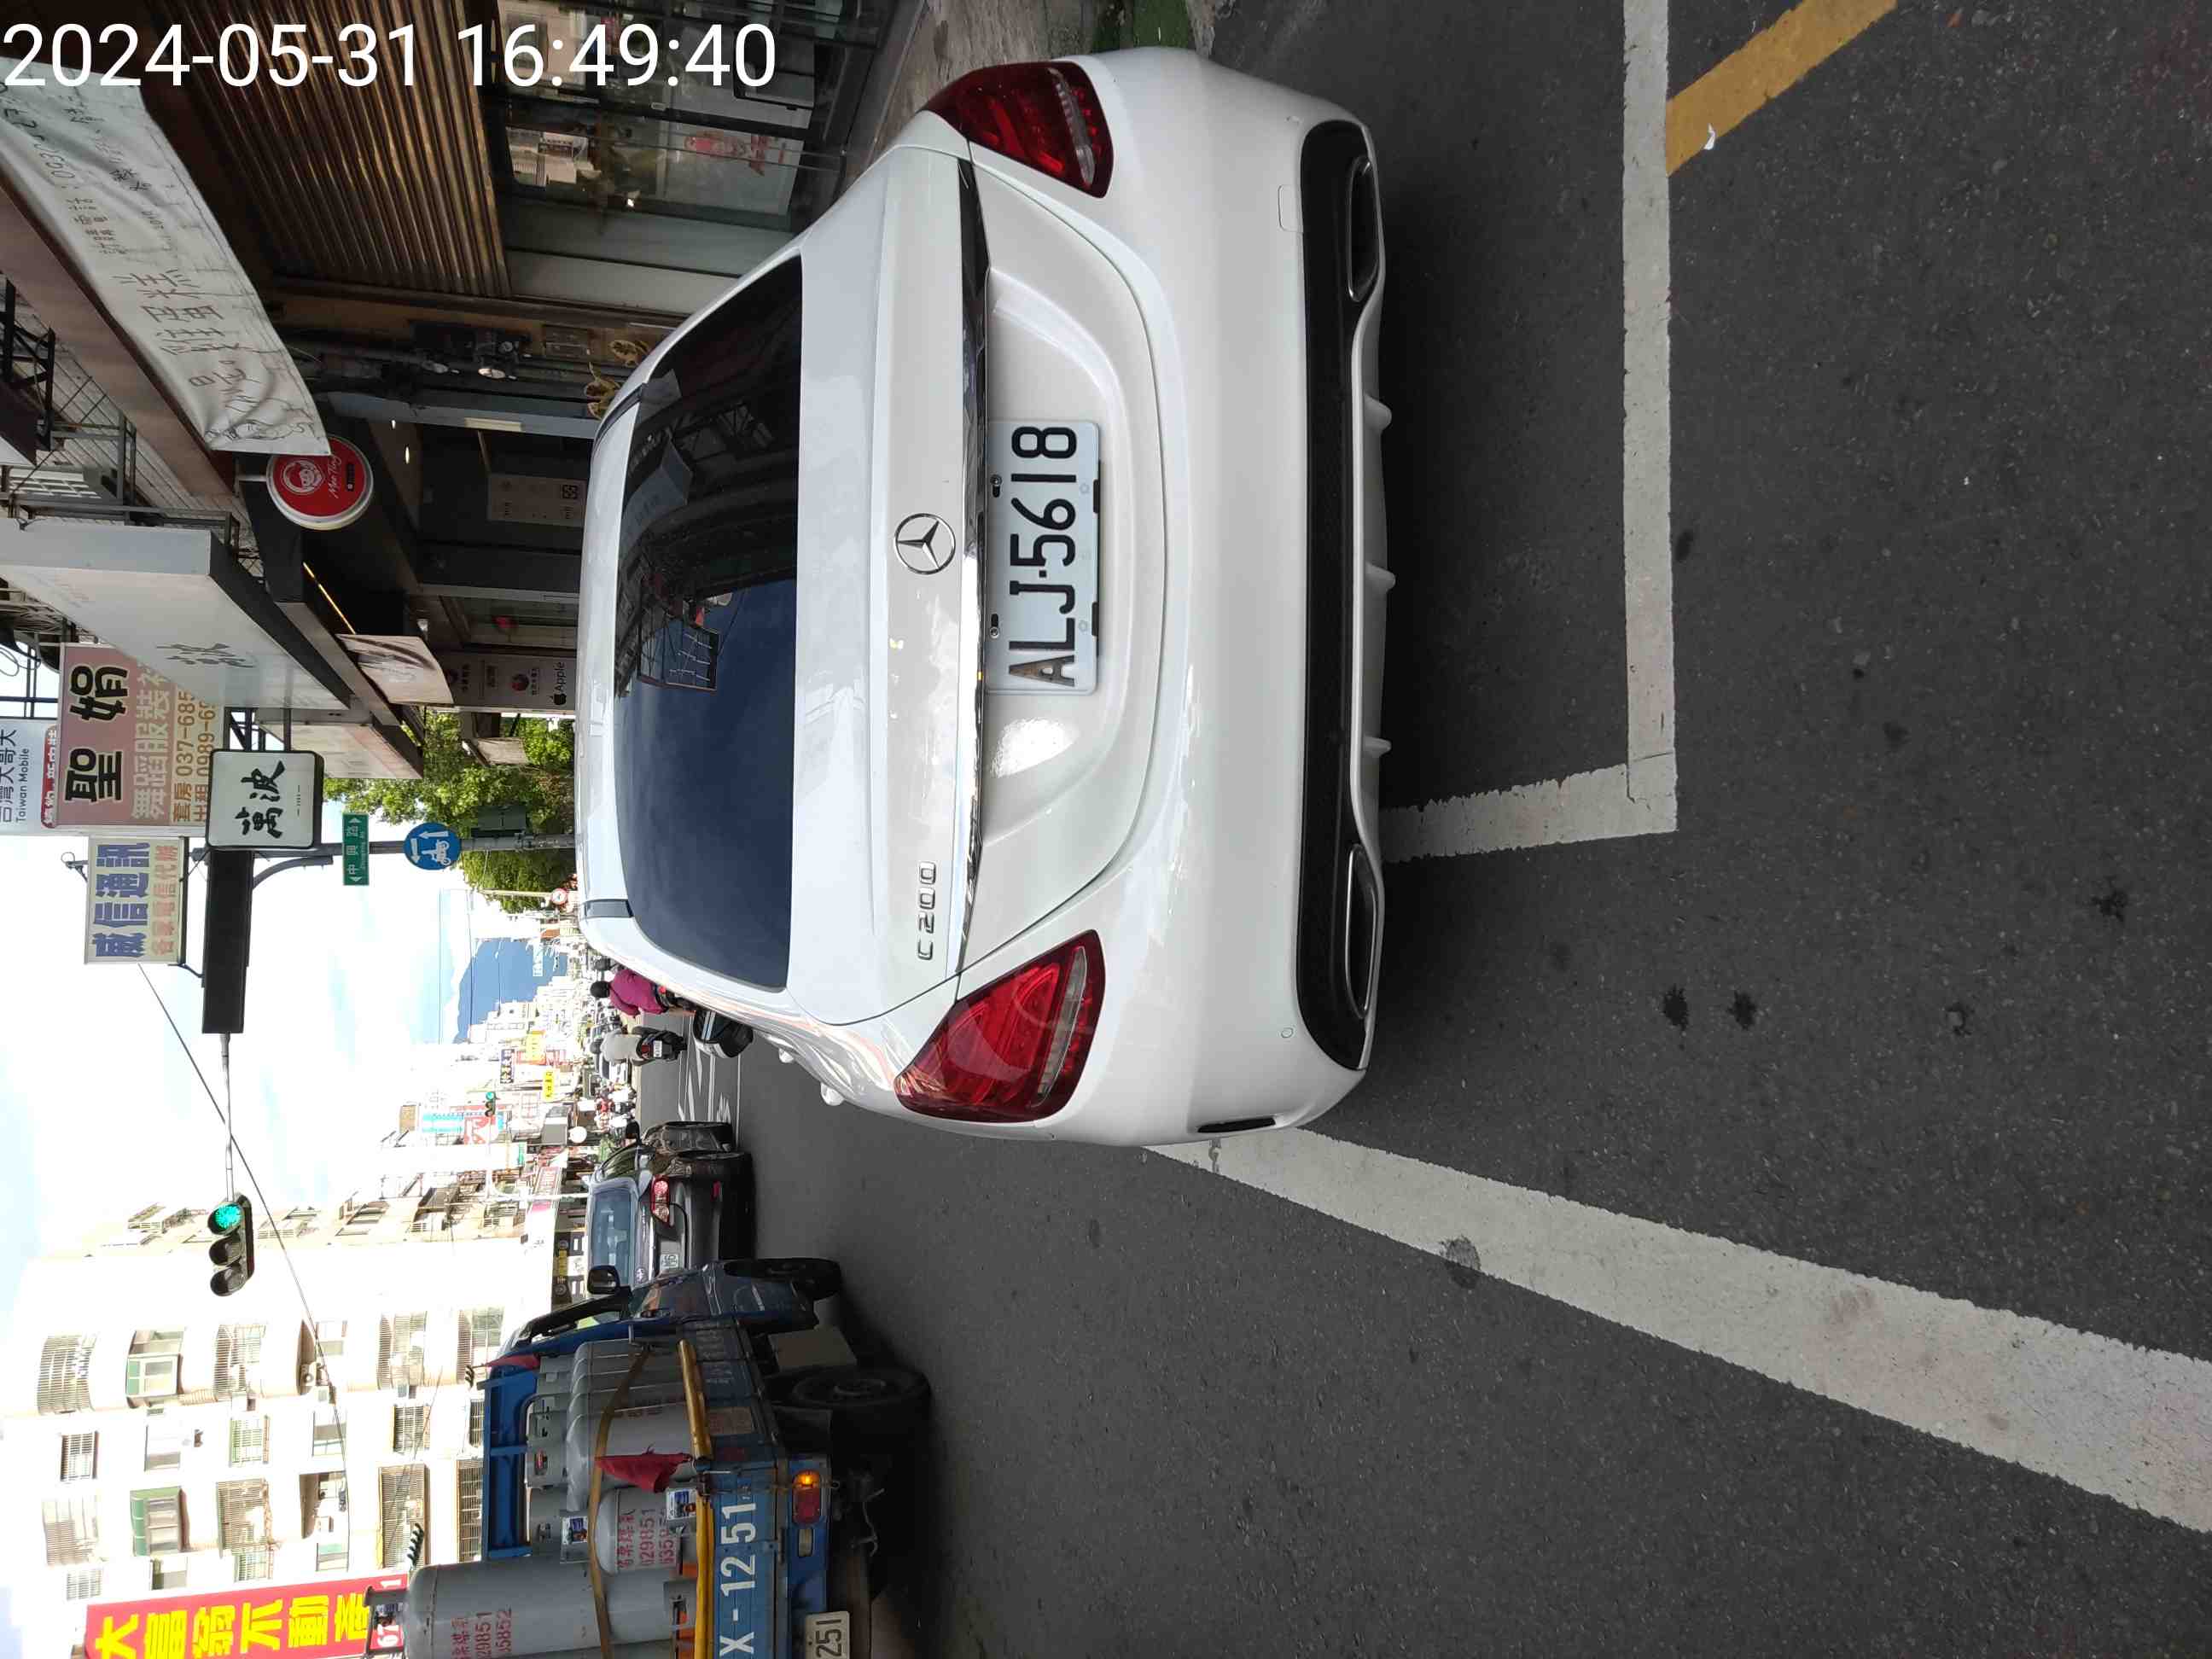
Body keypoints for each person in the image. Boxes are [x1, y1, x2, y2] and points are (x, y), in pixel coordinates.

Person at [590, 967, 667, 1019]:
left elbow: (633, 1011)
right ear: (603, 981)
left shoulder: (616, 1002)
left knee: (666, 1009)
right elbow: (637, 970)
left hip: (657, 1004)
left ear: (602, 996)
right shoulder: (620, 975)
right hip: (657, 983)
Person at [597, 1028, 686, 1068]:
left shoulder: (607, 1058)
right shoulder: (608, 1036)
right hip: (641, 1040)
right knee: (636, 1029)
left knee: (635, 1062)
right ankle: (662, 1033)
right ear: (599, 1041)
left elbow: (621, 1061)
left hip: (639, 1055)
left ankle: (661, 1056)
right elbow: (622, 1030)